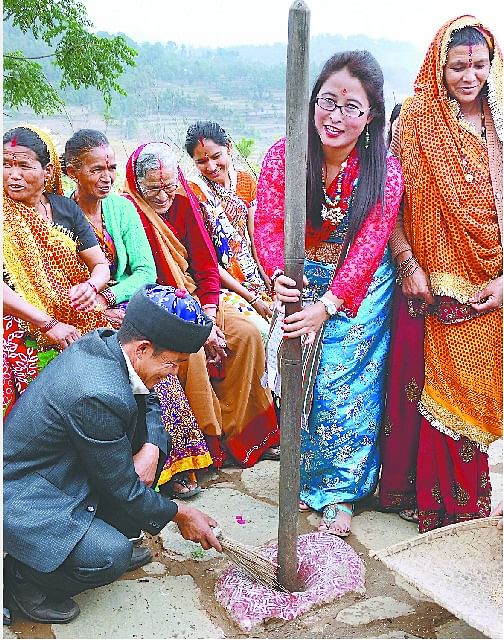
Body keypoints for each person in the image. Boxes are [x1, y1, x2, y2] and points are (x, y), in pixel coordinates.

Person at [3, 285, 222, 624]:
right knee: (110, 555)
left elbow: (148, 397)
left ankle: (97, 528)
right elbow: (124, 488)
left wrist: (151, 448)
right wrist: (181, 515)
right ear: (144, 348)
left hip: (63, 470)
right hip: (25, 494)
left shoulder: (111, 345)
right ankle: (22, 576)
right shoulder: (95, 392)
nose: (175, 372)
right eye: (174, 363)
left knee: (147, 457)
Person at [255, 50, 404, 536]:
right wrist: (278, 274)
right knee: (301, 382)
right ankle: (305, 477)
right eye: (327, 101)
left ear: (372, 115)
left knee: (344, 386)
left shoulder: (385, 170)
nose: (336, 117)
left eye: (352, 107)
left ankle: (341, 490)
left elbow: (369, 246)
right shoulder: (284, 154)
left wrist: (327, 306)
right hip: (300, 278)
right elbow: (269, 224)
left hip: (357, 288)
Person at [379, 16, 502, 533]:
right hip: (429, 285)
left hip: (491, 284)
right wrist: (408, 266)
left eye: (478, 65)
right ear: (438, 65)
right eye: (457, 66)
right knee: (430, 392)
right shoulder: (415, 127)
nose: (468, 75)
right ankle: (438, 502)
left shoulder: (500, 128)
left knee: (476, 394)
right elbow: (390, 207)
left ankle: (468, 499)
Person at [63, 129, 212, 498]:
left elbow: (144, 272)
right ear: (71, 172)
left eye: (111, 168)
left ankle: (169, 460)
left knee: (155, 361)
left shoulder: (121, 208)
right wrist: (94, 306)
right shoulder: (59, 214)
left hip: (125, 304)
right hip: (80, 310)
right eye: (95, 169)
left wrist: (111, 298)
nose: (106, 177)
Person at [123, 142, 280, 468]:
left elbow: (207, 267)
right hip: (162, 309)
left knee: (247, 335)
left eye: (169, 186)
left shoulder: (183, 201)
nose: (165, 197)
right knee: (190, 352)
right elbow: (150, 285)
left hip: (200, 301)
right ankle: (209, 445)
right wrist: (197, 327)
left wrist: (207, 314)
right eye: (155, 189)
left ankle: (243, 435)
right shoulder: (131, 211)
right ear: (139, 185)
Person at [3, 125, 110, 416]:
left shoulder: (65, 209)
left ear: (48, 171)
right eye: (6, 164)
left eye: (23, 165)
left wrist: (91, 288)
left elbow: (100, 265)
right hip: (17, 319)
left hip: (73, 310)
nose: (12, 175)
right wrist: (48, 324)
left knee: (120, 356)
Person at [185, 121, 272, 338]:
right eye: (202, 161)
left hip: (253, 275)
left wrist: (269, 279)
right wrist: (252, 299)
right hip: (220, 283)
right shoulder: (193, 192)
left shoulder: (244, 180)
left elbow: (255, 236)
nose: (211, 167)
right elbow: (207, 260)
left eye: (216, 156)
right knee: (260, 331)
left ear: (229, 148)